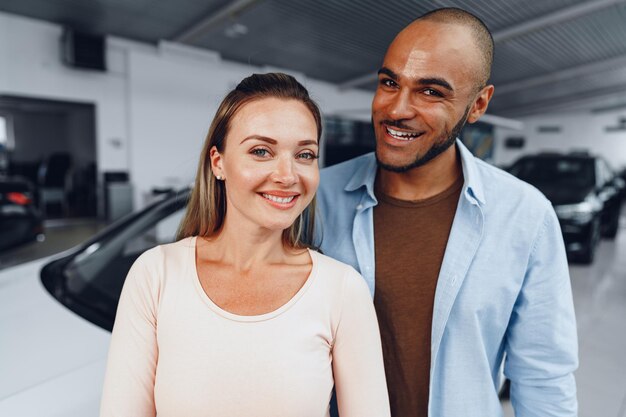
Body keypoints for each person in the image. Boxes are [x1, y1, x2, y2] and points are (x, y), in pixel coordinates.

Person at [317, 8, 578, 417]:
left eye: (431, 92)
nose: (396, 109)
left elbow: (544, 376)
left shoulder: (525, 217)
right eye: (389, 82)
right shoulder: (316, 199)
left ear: (478, 105)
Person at [100, 73, 390, 417]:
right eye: (261, 151)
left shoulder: (342, 290)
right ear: (218, 162)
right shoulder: (156, 274)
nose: (287, 175)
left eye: (305, 154)